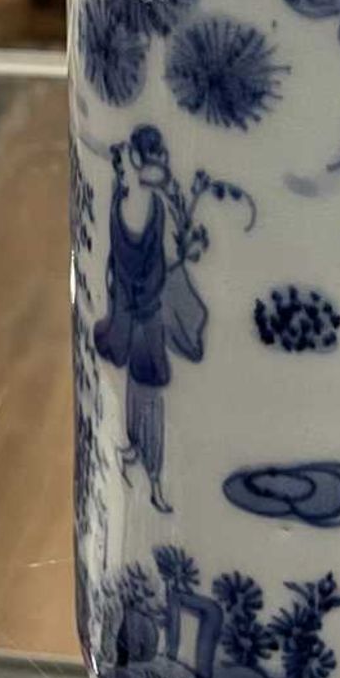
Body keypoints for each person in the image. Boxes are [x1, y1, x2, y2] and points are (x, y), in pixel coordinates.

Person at [93, 125, 208, 514]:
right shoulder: (152, 205)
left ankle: (130, 453)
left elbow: (124, 266)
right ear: (150, 161)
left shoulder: (121, 201)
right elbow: (153, 269)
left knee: (133, 387)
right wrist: (183, 256)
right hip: (145, 315)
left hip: (128, 310)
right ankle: (156, 481)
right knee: (152, 393)